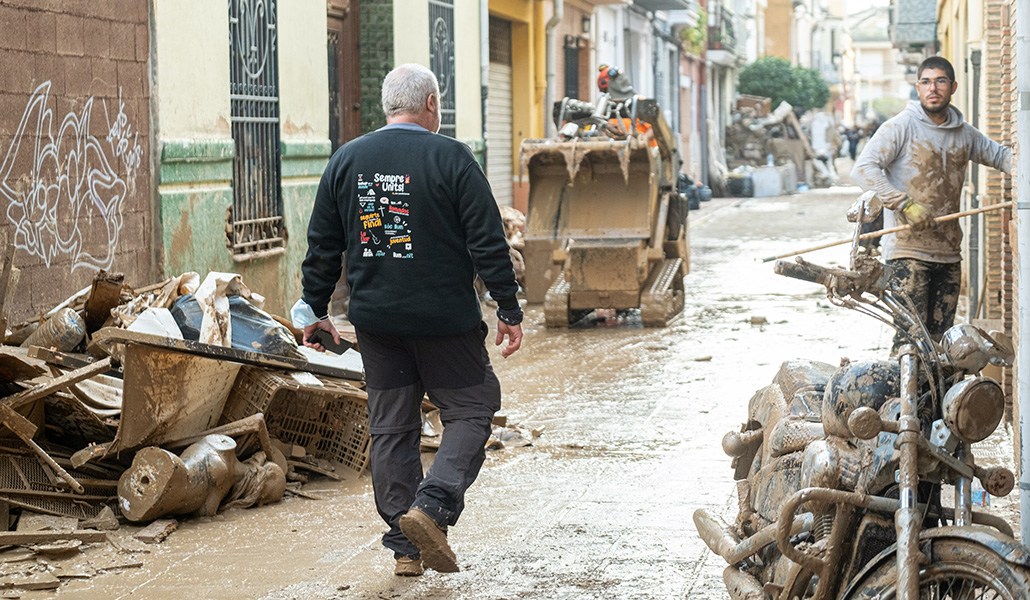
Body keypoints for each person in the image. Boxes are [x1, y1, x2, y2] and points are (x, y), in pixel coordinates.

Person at [291, 63, 524, 577]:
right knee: (472, 406)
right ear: (432, 104)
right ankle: (433, 505)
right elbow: (488, 242)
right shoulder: (453, 158)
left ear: (387, 106)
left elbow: (324, 248)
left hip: (376, 322)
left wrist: (312, 310)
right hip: (445, 322)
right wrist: (508, 308)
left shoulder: (346, 160)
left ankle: (405, 547)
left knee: (392, 424)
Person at [851, 56, 1011, 352]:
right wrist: (904, 203)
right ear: (918, 88)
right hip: (906, 254)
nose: (932, 88)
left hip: (949, 255)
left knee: (943, 347)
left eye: (940, 81)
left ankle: (934, 400)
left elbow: (1002, 157)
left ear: (953, 87)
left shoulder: (965, 134)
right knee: (909, 345)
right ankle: (905, 399)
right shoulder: (901, 126)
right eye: (926, 82)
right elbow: (863, 169)